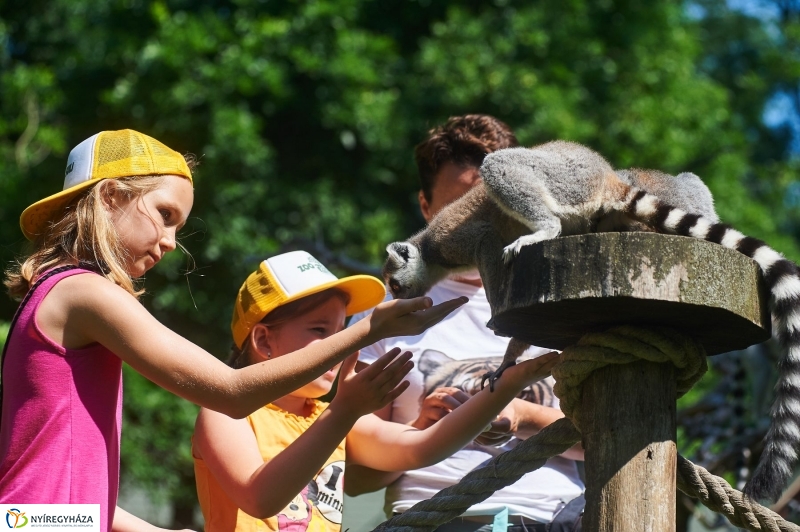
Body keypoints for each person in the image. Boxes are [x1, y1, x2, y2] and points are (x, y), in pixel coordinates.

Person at [0, 130, 466, 532]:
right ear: (110, 196)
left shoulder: (58, 294)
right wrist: (367, 331)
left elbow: (41, 504)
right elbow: (230, 392)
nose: (170, 242)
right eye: (164, 214)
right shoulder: (84, 292)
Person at [191, 250, 559, 532]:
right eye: (320, 331)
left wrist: (509, 384)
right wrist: (344, 410)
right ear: (263, 340)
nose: (337, 345)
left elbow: (424, 447)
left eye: (340, 331)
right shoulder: (227, 415)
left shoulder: (325, 416)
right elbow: (260, 498)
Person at [346, 115, 585, 532]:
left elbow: (615, 432)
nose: (481, 221)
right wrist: (422, 430)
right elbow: (353, 476)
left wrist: (520, 415)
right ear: (425, 207)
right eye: (461, 206)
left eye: (495, 203)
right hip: (428, 519)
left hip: (553, 517)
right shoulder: (383, 312)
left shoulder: (566, 299)